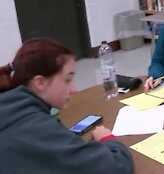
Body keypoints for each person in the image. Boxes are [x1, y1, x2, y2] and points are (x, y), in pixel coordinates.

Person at [0, 38, 134, 174]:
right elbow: (118, 167)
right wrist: (107, 139)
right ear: (40, 82)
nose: (74, 89)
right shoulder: (38, 127)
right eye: (67, 80)